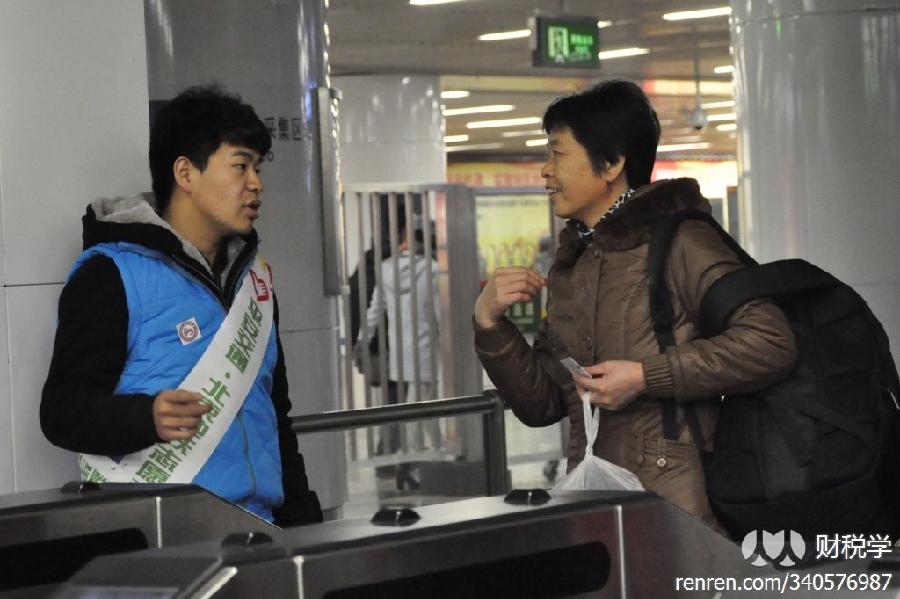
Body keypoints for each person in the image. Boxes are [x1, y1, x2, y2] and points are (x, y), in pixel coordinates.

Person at [472, 80, 797, 528]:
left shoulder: (682, 241)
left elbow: (771, 341)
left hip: (680, 502)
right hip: (596, 496)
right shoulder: (573, 264)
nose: (545, 171)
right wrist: (489, 322)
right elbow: (543, 404)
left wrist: (645, 377)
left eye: (557, 153)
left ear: (611, 164)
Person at [40, 85, 322, 527]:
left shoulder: (255, 281)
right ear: (185, 173)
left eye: (258, 167)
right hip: (157, 534)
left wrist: (302, 524)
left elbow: (275, 416)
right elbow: (61, 411)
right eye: (240, 166)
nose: (256, 183)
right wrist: (144, 417)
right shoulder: (111, 275)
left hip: (257, 529)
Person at [361, 217, 440, 490]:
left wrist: (362, 338)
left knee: (416, 406)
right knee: (424, 406)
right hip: (426, 350)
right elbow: (437, 312)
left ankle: (420, 458)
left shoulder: (386, 269)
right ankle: (413, 461)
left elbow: (375, 308)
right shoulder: (432, 269)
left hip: (399, 351)